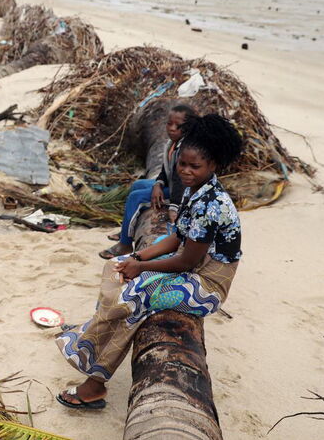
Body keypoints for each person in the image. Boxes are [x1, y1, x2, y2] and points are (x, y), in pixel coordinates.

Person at [54, 113, 243, 409]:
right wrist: (136, 256)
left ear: (213, 165)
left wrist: (141, 268)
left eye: (195, 166)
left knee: (138, 293)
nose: (186, 171)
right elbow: (174, 239)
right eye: (182, 164)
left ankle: (94, 385)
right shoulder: (196, 192)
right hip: (194, 266)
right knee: (115, 267)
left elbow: (185, 262)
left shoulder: (211, 205)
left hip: (208, 284)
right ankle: (94, 334)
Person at [100, 104, 197, 259]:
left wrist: (174, 207)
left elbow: (181, 182)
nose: (172, 128)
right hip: (171, 186)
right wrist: (158, 184)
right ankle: (127, 229)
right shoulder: (173, 144)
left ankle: (125, 244)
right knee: (138, 185)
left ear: (189, 127)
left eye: (178, 126)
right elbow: (166, 171)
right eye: (169, 124)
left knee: (136, 197)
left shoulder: (186, 149)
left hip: (181, 195)